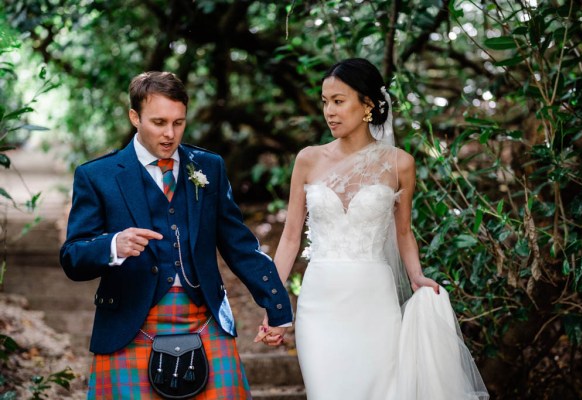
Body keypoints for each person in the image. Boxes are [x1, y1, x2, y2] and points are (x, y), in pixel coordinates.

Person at [257, 58, 489, 399]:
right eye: (325, 102)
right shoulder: (308, 159)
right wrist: (273, 304)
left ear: (367, 104)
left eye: (339, 101)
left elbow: (404, 232)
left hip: (373, 303)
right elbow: (290, 237)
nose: (329, 111)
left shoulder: (400, 163)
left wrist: (417, 276)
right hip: (319, 303)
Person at [60, 71, 292, 399]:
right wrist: (113, 245)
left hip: (203, 316)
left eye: (178, 122)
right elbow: (72, 257)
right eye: (159, 122)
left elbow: (239, 244)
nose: (170, 134)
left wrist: (277, 306)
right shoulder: (97, 175)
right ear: (134, 117)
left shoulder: (208, 167)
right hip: (131, 323)